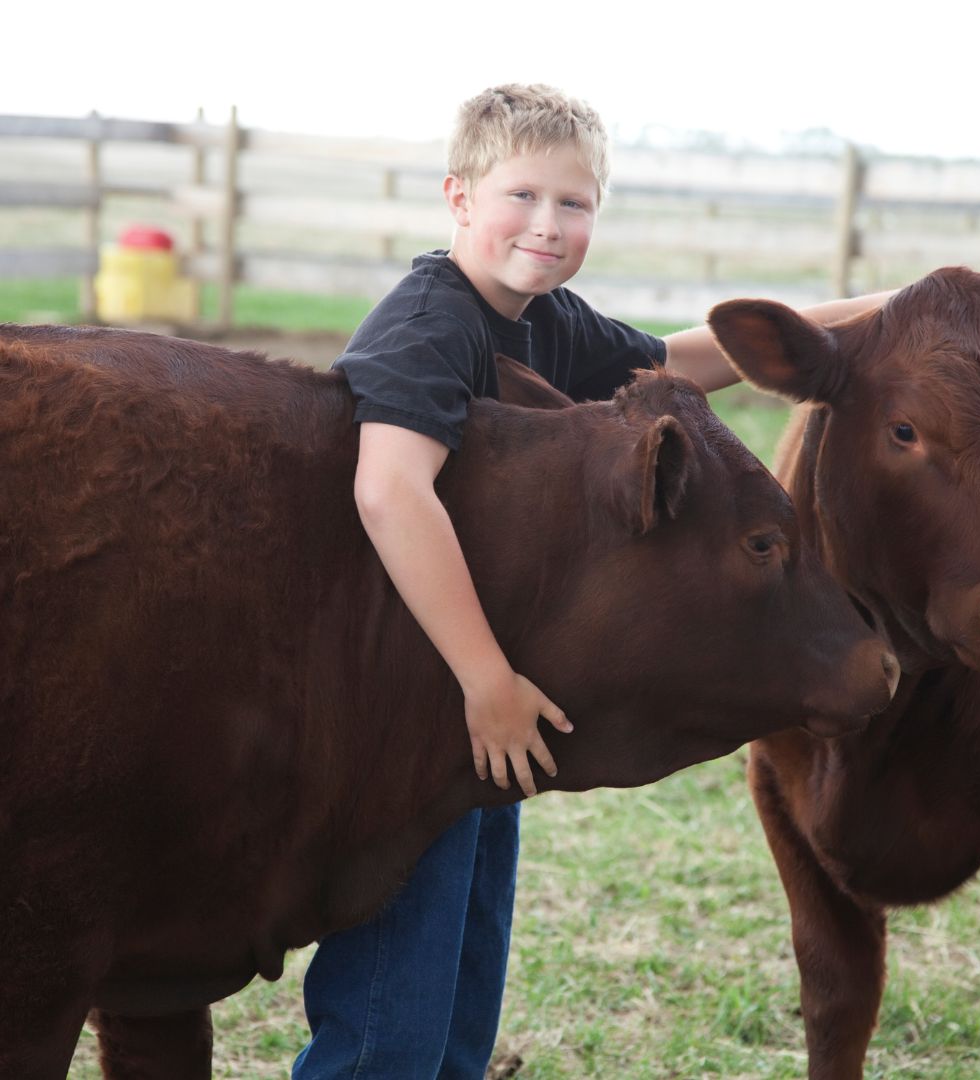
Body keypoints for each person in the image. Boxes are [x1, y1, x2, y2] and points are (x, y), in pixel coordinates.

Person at [293, 83, 891, 1080]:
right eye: (522, 195)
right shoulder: (429, 326)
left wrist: (878, 316)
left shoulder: (549, 323)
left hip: (480, 704)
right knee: (391, 1009)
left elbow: (685, 361)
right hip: (403, 701)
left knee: (462, 980)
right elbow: (391, 495)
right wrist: (486, 680)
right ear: (458, 197)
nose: (547, 225)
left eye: (574, 204)